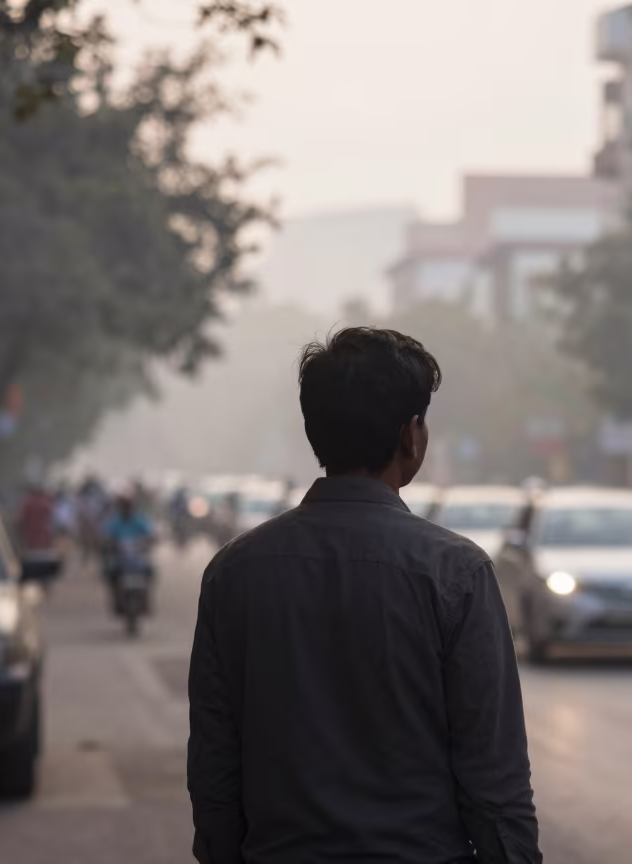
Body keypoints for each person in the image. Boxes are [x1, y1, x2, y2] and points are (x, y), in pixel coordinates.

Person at [188, 327, 540, 864]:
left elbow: (215, 772)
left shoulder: (233, 574)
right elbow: (495, 782)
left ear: (315, 431)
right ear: (410, 436)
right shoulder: (457, 573)